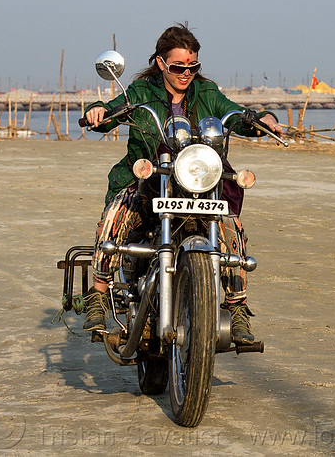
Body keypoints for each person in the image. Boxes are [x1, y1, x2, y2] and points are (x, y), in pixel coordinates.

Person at [83, 23, 282, 345]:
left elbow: (233, 112)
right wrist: (99, 111)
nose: (185, 73)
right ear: (161, 63)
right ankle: (99, 293)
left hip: (198, 181)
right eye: (178, 67)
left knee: (230, 227)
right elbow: (115, 109)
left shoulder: (207, 92)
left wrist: (263, 119)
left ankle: (238, 307)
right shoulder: (142, 92)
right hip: (151, 176)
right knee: (118, 214)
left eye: (193, 66)